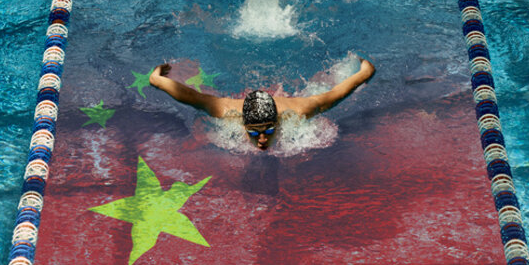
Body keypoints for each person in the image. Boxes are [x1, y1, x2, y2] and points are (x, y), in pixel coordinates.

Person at [149, 57, 376, 150]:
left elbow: (336, 93)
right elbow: (188, 95)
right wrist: (157, 79)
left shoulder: (299, 111)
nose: (262, 140)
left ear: (277, 121)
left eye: (268, 131)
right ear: (243, 124)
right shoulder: (227, 112)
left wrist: (365, 72)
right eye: (254, 132)